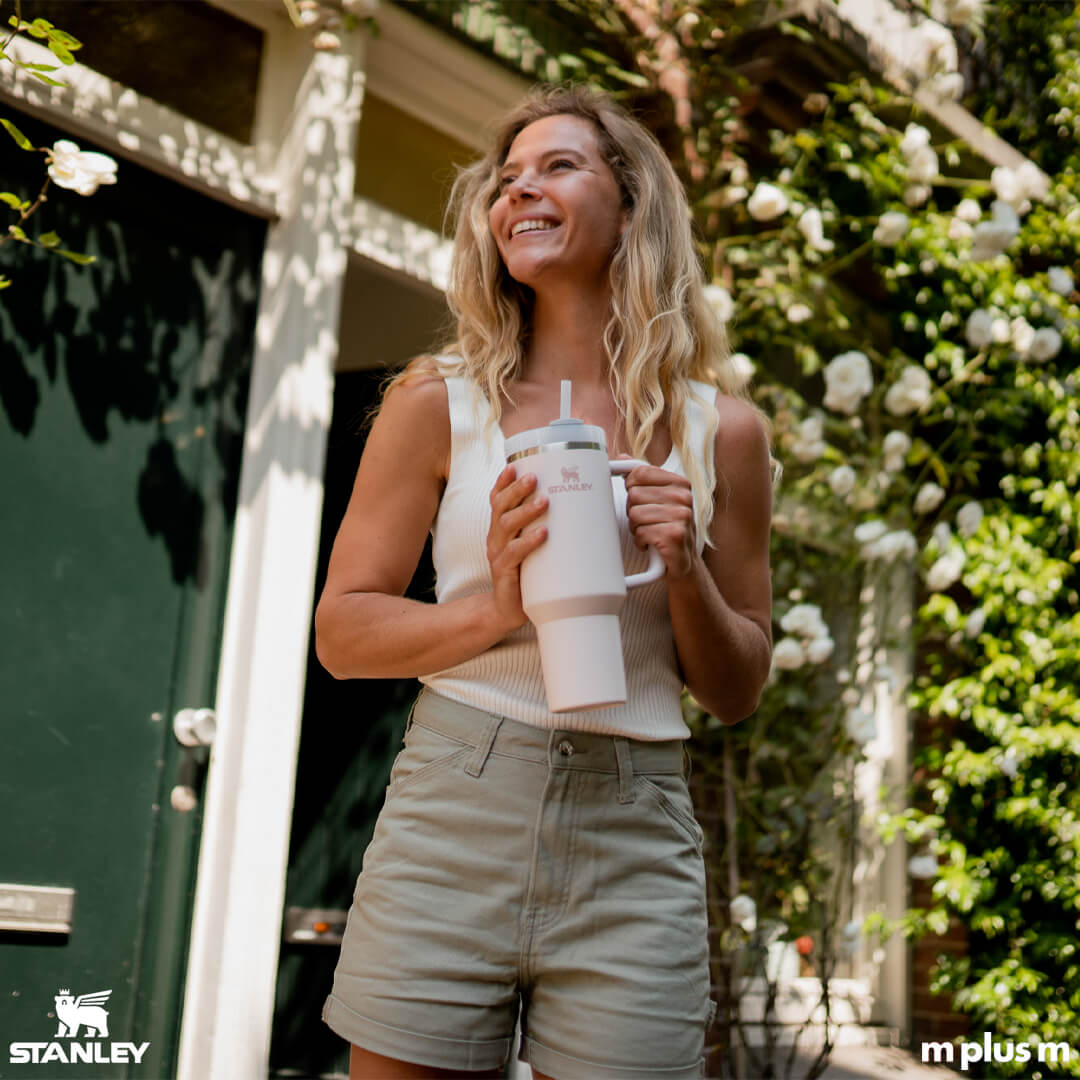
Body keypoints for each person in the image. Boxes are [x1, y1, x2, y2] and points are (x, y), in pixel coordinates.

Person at [316, 84, 773, 1080]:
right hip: (457, 803)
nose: (518, 191)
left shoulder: (722, 432)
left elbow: (737, 690)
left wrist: (684, 566)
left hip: (636, 830)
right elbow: (343, 636)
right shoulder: (439, 404)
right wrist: (496, 606)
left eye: (557, 166)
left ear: (632, 200)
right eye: (505, 179)